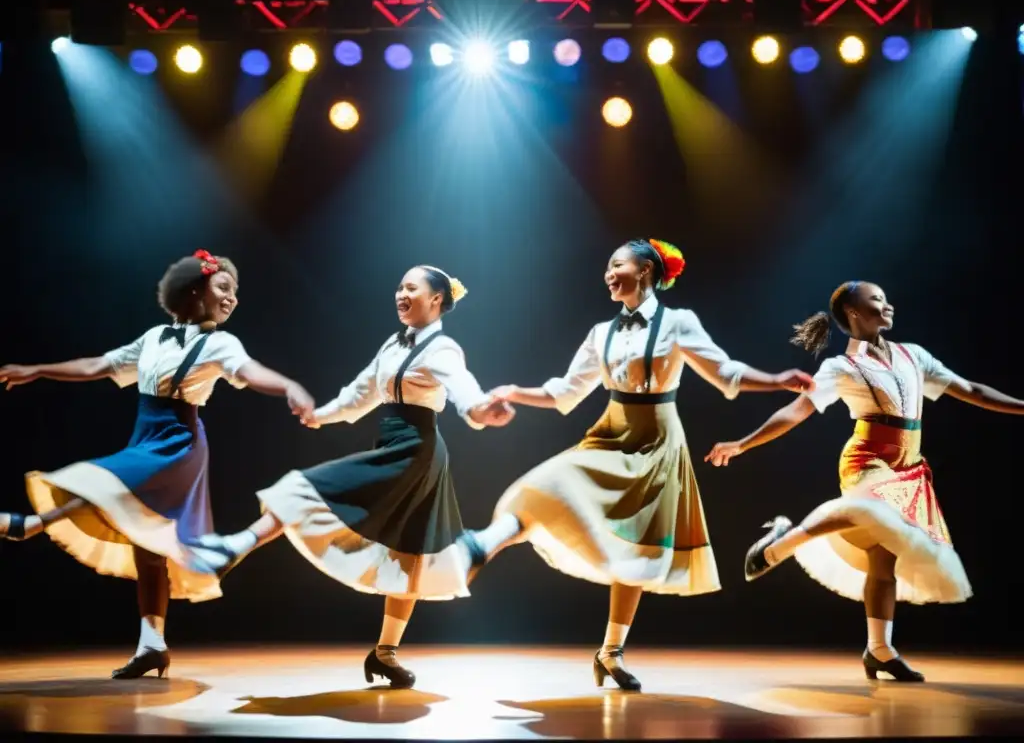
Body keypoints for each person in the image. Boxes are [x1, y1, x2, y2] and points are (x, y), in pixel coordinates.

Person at [459, 239, 814, 691]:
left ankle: (611, 652)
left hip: (658, 440)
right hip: (611, 431)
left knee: (637, 549)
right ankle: (480, 545)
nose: (608, 273)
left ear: (646, 271)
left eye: (618, 264)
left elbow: (725, 373)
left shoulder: (678, 322)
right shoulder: (599, 333)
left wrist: (776, 380)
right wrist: (515, 391)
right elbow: (565, 392)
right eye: (607, 266)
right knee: (546, 484)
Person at [185, 265, 513, 690]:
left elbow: (463, 388)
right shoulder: (393, 345)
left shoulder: (443, 349)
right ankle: (382, 654)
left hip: (417, 452)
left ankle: (236, 548)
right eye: (398, 286)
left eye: (411, 287)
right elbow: (360, 393)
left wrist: (479, 411)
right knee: (395, 545)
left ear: (436, 299)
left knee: (404, 551)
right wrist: (320, 416)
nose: (400, 293)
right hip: (396, 446)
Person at [0, 250, 316, 679]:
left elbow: (250, 370)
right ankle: (152, 646)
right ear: (194, 290)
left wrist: (289, 386)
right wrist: (38, 370)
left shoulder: (221, 343)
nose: (233, 299)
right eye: (224, 288)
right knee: (148, 549)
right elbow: (97, 365)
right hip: (145, 435)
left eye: (235, 292)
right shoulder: (153, 338)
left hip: (178, 442)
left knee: (109, 485)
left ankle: (31, 525)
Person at [706, 280, 1024, 681]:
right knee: (872, 509)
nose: (887, 305)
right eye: (877, 300)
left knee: (883, 556)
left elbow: (973, 390)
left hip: (909, 466)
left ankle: (879, 650)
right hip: (866, 460)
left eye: (886, 298)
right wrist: (743, 444)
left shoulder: (914, 356)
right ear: (854, 313)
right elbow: (795, 411)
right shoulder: (842, 368)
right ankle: (782, 542)